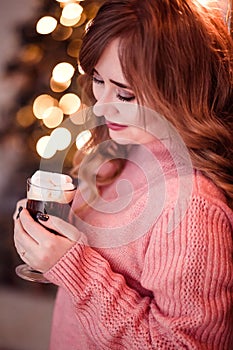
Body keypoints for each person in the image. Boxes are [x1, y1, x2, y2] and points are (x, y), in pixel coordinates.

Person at [14, 0, 233, 348]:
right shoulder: (123, 151)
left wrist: (74, 268)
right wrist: (48, 233)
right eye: (98, 80)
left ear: (177, 88)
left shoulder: (193, 209)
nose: (101, 105)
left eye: (125, 93)